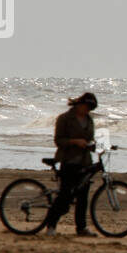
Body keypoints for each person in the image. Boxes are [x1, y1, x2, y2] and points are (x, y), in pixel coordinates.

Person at [43, 92, 99, 237]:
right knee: (64, 198)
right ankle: (51, 226)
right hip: (68, 161)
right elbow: (58, 140)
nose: (88, 110)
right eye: (87, 106)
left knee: (83, 197)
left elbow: (90, 139)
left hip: (85, 162)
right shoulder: (64, 118)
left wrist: (93, 145)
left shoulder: (89, 120)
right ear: (80, 104)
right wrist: (74, 142)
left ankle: (81, 228)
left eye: (91, 108)